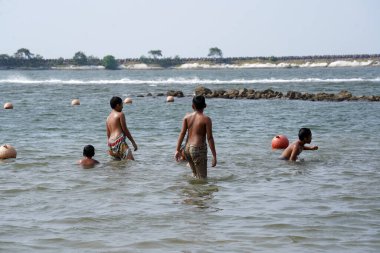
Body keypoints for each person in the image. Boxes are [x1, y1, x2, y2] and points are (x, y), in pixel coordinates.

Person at [175, 95, 217, 179]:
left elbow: (182, 133)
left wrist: (177, 149)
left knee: (195, 175)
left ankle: (192, 191)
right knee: (202, 178)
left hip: (187, 149)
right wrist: (214, 156)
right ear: (205, 106)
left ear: (192, 106)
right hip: (198, 149)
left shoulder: (187, 117)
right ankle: (200, 192)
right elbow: (210, 138)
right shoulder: (206, 119)